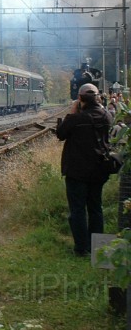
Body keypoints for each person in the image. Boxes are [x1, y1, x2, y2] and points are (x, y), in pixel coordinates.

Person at [56, 82, 114, 257]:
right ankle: (98, 247)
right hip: (99, 169)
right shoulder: (106, 116)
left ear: (80, 98)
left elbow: (61, 134)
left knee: (78, 210)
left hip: (77, 172)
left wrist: (73, 111)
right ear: (97, 97)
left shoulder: (76, 119)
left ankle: (81, 248)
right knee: (96, 208)